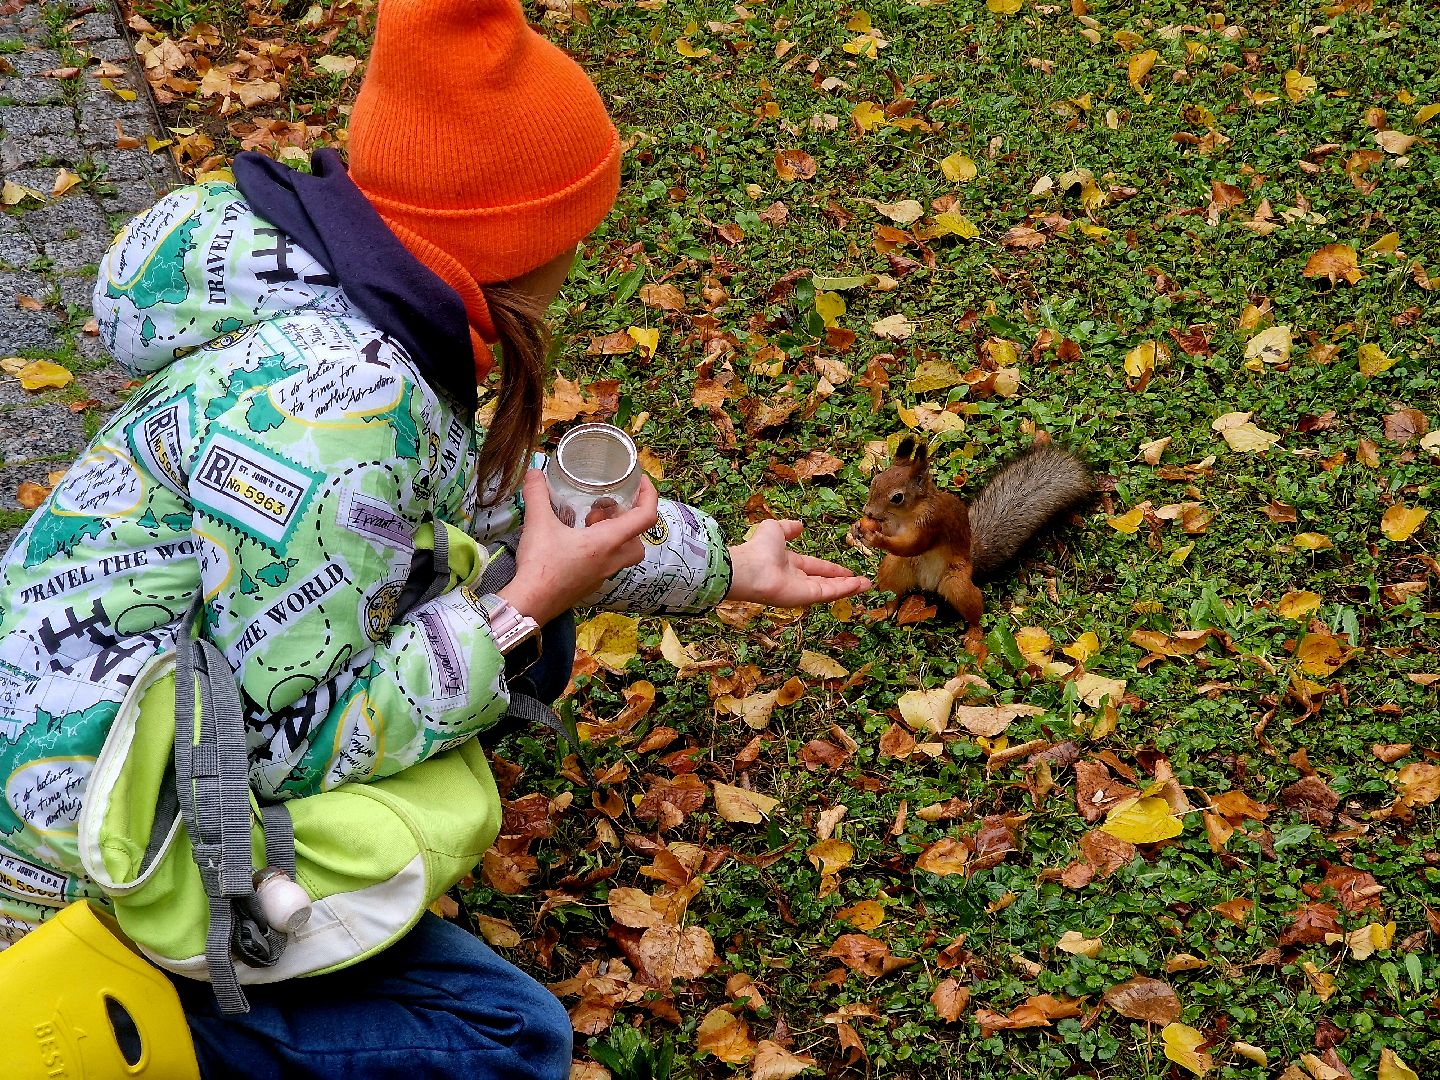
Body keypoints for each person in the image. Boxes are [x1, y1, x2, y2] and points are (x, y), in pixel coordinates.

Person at [0, 0, 869, 1075]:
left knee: (499, 597)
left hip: (142, 733)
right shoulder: (345, 417)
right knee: (506, 1038)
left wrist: (731, 568)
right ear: (522, 237)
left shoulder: (348, 281)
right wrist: (518, 609)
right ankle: (108, 1041)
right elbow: (288, 746)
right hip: (103, 855)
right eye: (578, 226)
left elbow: (499, 499)